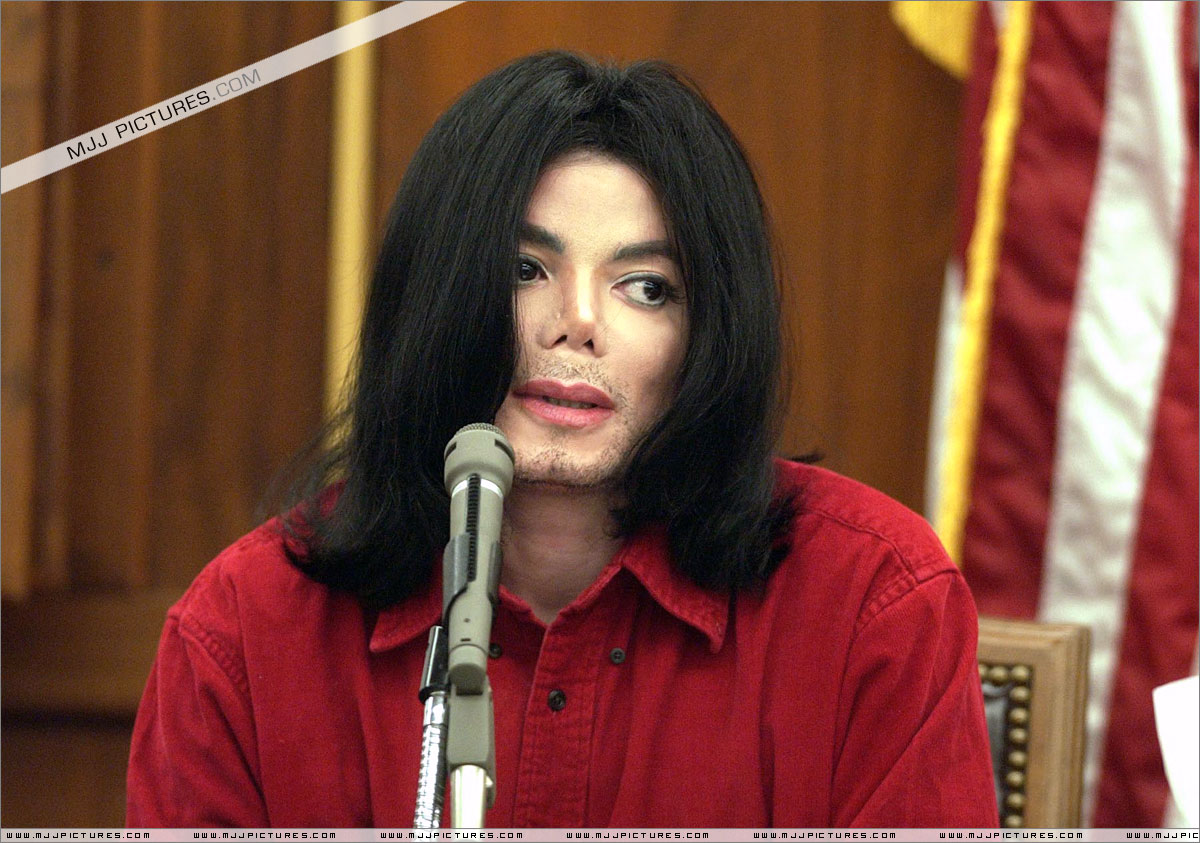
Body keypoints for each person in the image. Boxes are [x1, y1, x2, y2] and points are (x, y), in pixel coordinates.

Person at [126, 51, 997, 828]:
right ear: (435, 295)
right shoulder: (245, 632)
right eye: (524, 270)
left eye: (646, 286)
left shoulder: (872, 602)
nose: (576, 322)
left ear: (711, 331)